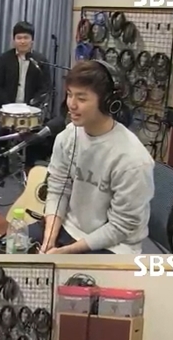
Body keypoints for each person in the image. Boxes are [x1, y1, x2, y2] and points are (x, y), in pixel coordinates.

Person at [30, 59, 154, 254]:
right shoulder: (68, 137)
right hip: (68, 228)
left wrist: (67, 252)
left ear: (107, 103)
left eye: (81, 98)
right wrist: (49, 238)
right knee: (11, 248)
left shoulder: (133, 160)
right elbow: (57, 189)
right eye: (69, 94)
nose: (71, 104)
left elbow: (121, 227)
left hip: (114, 245)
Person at [0, 22, 51, 182]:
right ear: (13, 40)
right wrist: (8, 105)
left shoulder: (40, 61)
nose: (22, 41)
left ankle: (29, 165)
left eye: (26, 37)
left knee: (36, 132)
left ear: (32, 40)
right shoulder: (4, 59)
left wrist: (34, 104)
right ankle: (2, 165)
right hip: (6, 107)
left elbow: (45, 87)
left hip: (30, 108)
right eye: (19, 38)